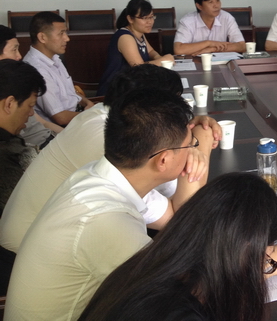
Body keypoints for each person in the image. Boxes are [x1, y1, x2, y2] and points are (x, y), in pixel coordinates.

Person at [5, 88, 216, 320]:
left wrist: (196, 139)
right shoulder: (106, 221)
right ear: (163, 160)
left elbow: (178, 220)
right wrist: (203, 150)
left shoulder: (99, 174)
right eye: (190, 146)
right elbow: (188, 291)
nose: (193, 152)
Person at [0, 64, 219, 254]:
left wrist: (188, 132)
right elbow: (179, 217)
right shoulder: (111, 143)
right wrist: (201, 140)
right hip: (23, 252)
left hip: (34, 242)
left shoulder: (101, 118)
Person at [78, 173, 277, 321]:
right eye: (264, 258)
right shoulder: (177, 313)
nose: (262, 266)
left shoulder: (148, 267)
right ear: (239, 249)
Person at [23, 11, 93, 126]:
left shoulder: (54, 57)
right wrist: (92, 114)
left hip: (78, 114)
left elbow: (70, 93)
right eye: (61, 33)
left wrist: (88, 103)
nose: (67, 38)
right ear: (42, 37)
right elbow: (61, 118)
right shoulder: (37, 69)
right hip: (63, 127)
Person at [0, 25, 62, 147]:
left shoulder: (17, 80)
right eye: (14, 50)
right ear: (9, 104)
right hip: (35, 148)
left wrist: (69, 136)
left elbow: (42, 122)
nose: (19, 56)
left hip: (50, 138)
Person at [97, 0, 174, 95]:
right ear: (130, 19)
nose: (150, 22)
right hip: (116, 91)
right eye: (144, 18)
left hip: (132, 86)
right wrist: (162, 61)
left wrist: (159, 57)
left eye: (151, 17)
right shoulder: (125, 37)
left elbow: (151, 52)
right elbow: (139, 67)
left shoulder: (139, 33)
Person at [0, 59, 46, 213]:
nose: (31, 113)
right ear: (10, 104)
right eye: (30, 106)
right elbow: (25, 212)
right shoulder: (5, 158)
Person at [174, 0, 245, 55]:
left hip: (220, 60)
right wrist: (208, 43)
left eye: (217, 0)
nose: (216, 5)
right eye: (210, 2)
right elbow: (179, 50)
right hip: (195, 60)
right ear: (199, 6)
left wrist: (212, 49)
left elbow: (242, 46)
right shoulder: (187, 22)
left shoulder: (227, 18)